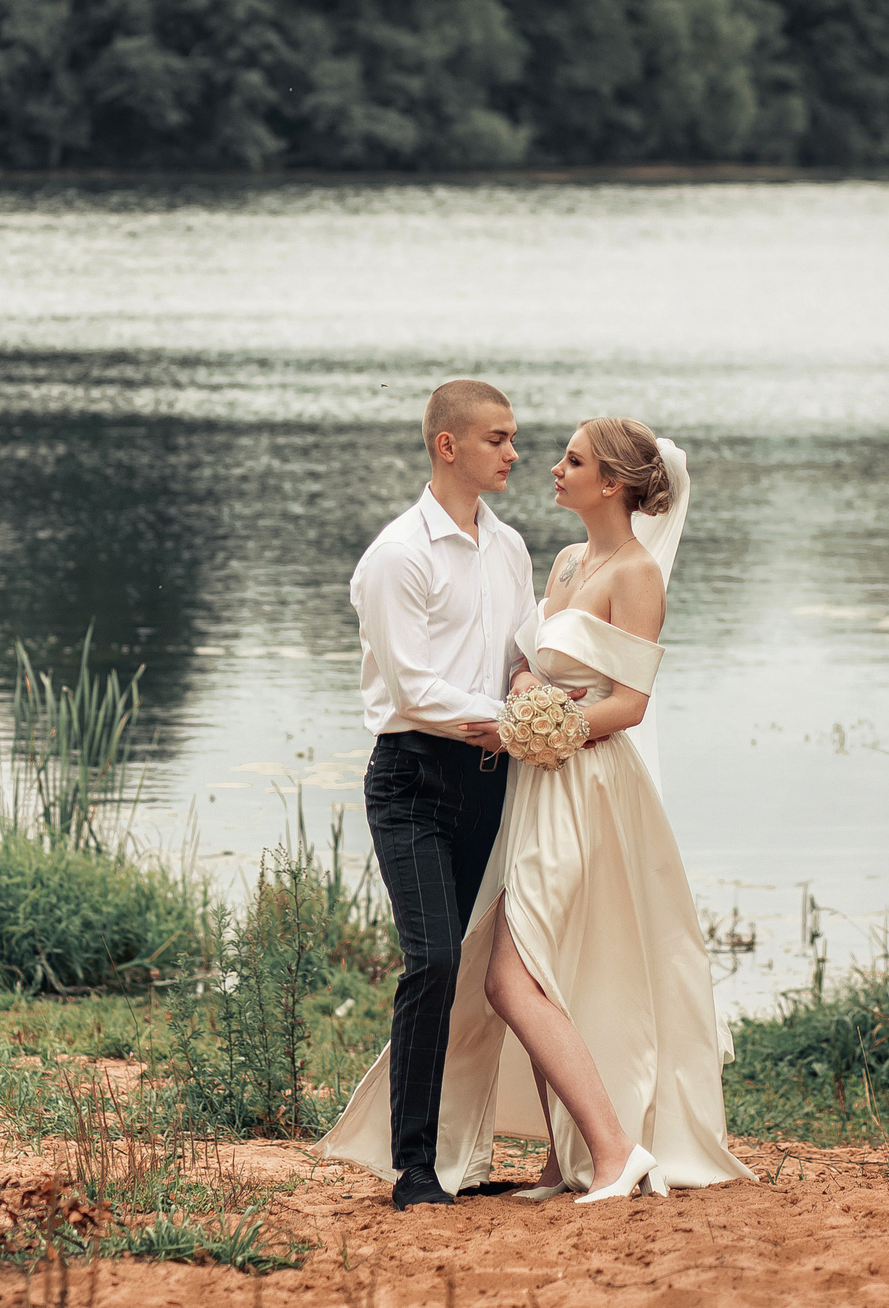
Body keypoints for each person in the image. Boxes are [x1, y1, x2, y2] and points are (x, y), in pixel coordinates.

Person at [320, 415, 751, 1207]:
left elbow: (630, 703)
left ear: (613, 483)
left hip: (585, 787)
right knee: (546, 963)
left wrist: (545, 728)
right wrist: (522, 694)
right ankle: (564, 1161)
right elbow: (527, 660)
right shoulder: (559, 561)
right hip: (533, 784)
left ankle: (616, 1148)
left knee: (512, 978)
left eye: (574, 459)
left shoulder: (636, 575)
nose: (550, 466)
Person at [336, 379, 532, 1211]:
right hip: (412, 778)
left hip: (492, 783)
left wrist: (530, 697)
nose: (514, 452)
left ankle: (465, 1151)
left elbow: (522, 651)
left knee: (486, 967)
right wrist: (505, 716)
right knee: (434, 960)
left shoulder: (512, 548)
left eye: (515, 438)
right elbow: (412, 691)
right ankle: (411, 1167)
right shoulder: (396, 556)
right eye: (497, 438)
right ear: (447, 446)